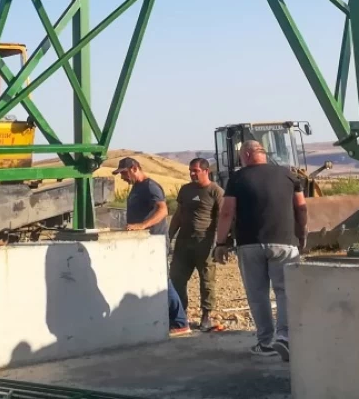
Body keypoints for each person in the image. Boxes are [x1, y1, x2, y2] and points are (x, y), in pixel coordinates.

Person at [213, 140, 307, 362]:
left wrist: (220, 243)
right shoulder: (288, 175)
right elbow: (301, 208)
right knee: (284, 291)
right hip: (284, 242)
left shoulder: (238, 178)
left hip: (250, 244)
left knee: (258, 295)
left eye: (240, 156)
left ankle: (265, 343)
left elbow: (227, 212)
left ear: (246, 155)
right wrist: (302, 235)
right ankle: (284, 337)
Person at [115, 157, 189, 336]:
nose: (122, 177)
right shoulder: (137, 188)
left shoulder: (150, 187)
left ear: (134, 168)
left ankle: (180, 322)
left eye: (124, 173)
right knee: (149, 280)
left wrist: (142, 225)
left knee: (162, 281)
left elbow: (162, 210)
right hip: (143, 244)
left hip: (154, 242)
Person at [169, 157, 224, 332]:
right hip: (184, 242)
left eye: (196, 171)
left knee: (207, 281)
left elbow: (223, 218)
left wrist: (221, 243)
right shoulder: (185, 190)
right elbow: (178, 214)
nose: (192, 174)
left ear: (206, 171)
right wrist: (169, 236)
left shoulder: (216, 191)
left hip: (205, 243)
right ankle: (180, 316)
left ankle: (206, 316)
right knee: (176, 279)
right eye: (190, 171)